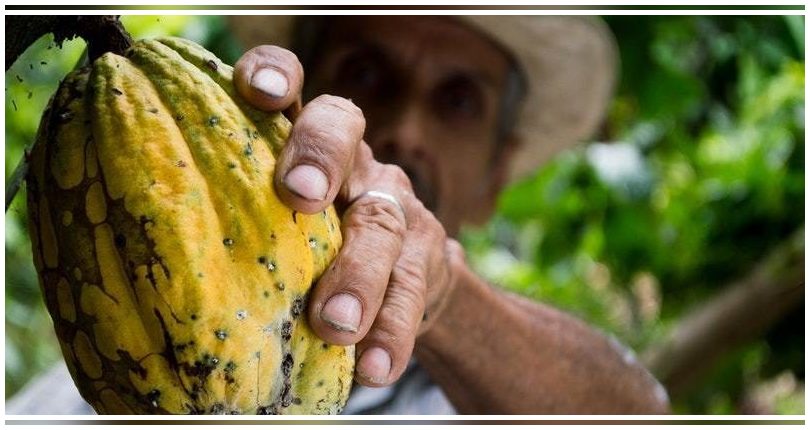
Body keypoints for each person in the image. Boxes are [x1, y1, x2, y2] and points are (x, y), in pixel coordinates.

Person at [6, 15, 670, 415]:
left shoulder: (489, 400)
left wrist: (440, 293)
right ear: (288, 94)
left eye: (458, 102)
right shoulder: (84, 392)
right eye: (367, 73)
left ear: (496, 175)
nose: (408, 129)